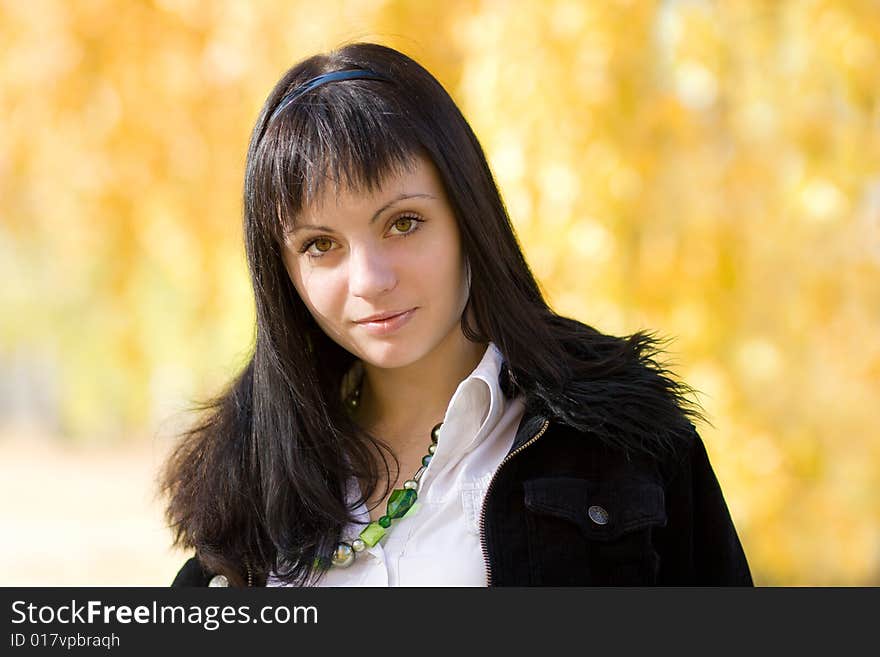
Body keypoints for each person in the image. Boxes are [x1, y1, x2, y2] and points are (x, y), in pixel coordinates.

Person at [162, 42, 752, 587]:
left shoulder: (621, 443)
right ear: (283, 273)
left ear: (468, 216)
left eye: (404, 223)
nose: (370, 280)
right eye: (320, 244)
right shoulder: (248, 484)